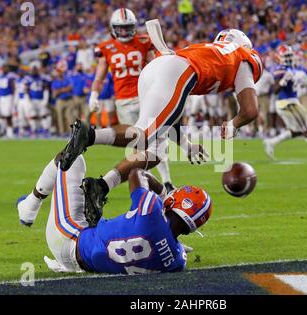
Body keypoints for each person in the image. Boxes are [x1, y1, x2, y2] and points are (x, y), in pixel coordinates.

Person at [19, 28, 262, 220]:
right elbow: (251, 110)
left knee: (154, 152)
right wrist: (234, 124)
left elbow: (170, 114)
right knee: (144, 135)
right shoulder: (243, 56)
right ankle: (90, 136)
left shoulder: (211, 51)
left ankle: (101, 186)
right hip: (178, 71)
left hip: (158, 67)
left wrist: (186, 145)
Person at [18, 149, 212, 274]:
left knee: (70, 158)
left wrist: (163, 193)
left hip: (68, 237)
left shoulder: (152, 209)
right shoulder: (177, 260)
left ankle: (29, 206)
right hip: (86, 262)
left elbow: (137, 173)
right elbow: (164, 241)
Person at [89, 8, 174, 192]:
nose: (125, 32)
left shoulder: (144, 42)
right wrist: (93, 95)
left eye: (128, 28)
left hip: (146, 97)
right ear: (113, 28)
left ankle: (166, 181)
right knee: (138, 145)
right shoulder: (106, 48)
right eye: (121, 28)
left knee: (156, 139)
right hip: (124, 102)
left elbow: (155, 67)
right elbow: (99, 77)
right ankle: (145, 182)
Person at [263, 45, 307, 161]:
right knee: (306, 127)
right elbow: (275, 90)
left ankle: (271, 142)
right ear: (280, 57)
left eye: (290, 55)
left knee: (297, 131)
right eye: (286, 56)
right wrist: (283, 81)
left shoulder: (296, 70)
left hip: (293, 101)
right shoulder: (280, 69)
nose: (289, 58)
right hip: (286, 103)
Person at [0, 65, 16, 138]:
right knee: (3, 114)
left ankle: (10, 133)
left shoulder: (10, 76)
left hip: (8, 96)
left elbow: (13, 87)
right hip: (1, 97)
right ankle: (4, 131)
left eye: (6, 67)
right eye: (3, 68)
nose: (4, 69)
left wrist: (14, 97)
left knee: (8, 114)